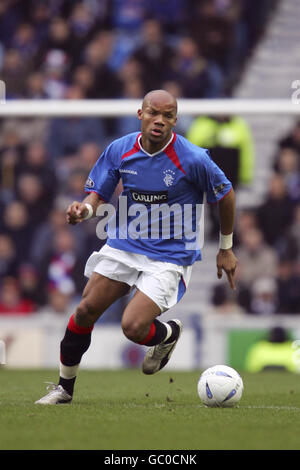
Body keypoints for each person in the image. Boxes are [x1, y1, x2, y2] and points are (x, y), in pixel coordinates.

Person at [35, 89, 237, 405]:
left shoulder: (193, 158)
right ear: (140, 114)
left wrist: (226, 247)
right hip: (126, 243)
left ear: (175, 120)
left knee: (132, 326)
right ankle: (64, 389)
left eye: (167, 115)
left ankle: (167, 335)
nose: (160, 121)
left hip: (170, 255)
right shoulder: (120, 149)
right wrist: (83, 212)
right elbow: (96, 196)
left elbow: (225, 193)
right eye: (153, 113)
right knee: (86, 309)